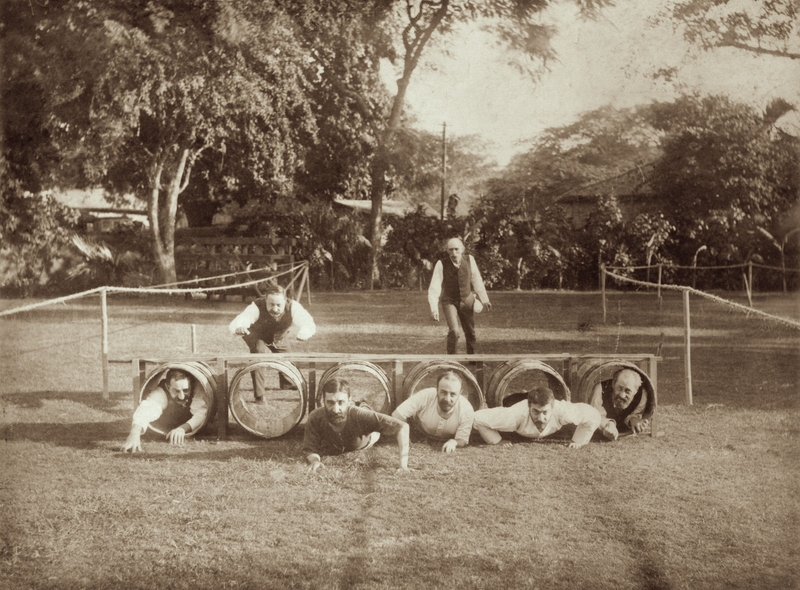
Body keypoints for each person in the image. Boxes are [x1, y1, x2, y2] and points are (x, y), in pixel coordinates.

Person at [228, 283, 316, 401]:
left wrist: (305, 332)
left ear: (285, 300)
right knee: (258, 353)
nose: (275, 309)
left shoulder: (294, 306)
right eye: (271, 304)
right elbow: (242, 319)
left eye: (279, 305)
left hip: (278, 337)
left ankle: (288, 383)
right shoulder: (256, 306)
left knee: (287, 359)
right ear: (265, 300)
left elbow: (307, 322)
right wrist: (240, 327)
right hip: (256, 335)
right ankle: (259, 395)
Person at [303, 378, 410, 473]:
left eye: (341, 402)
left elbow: (402, 426)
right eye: (330, 403)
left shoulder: (360, 415)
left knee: (364, 413)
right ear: (323, 401)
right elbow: (310, 448)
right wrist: (314, 461)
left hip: (369, 436)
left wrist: (403, 465)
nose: (336, 410)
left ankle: (363, 404)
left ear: (349, 401)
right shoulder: (315, 417)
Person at [472, 386, 601, 449]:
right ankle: (522, 395)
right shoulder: (515, 415)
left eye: (545, 412)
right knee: (512, 400)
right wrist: (496, 441)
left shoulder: (562, 411)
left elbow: (593, 414)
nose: (540, 418)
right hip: (513, 403)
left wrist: (578, 441)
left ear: (553, 407)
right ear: (529, 407)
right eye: (536, 412)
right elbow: (478, 418)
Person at [428, 237, 492, 354]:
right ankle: (452, 359)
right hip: (449, 301)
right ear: (447, 251)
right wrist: (434, 308)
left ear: (462, 249)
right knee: (454, 331)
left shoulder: (470, 260)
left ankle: (472, 359)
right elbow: (434, 287)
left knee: (470, 331)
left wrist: (485, 299)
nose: (454, 253)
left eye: (456, 249)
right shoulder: (441, 264)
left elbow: (477, 279)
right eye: (450, 250)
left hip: (467, 299)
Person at [121, 368, 210, 452]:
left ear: (191, 385)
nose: (181, 396)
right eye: (176, 391)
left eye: (186, 390)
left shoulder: (198, 387)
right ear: (167, 387)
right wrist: (135, 432)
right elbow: (148, 407)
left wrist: (182, 429)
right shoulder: (160, 392)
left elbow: (201, 412)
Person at [392, 371, 474, 453]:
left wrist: (454, 442)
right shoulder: (425, 395)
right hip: (418, 431)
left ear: (460, 393)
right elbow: (398, 414)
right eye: (443, 392)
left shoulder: (466, 409)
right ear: (437, 389)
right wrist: (405, 438)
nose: (447, 399)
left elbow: (463, 439)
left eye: (453, 394)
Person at [588, 368, 651, 440]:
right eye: (619, 388)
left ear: (636, 390)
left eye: (628, 391)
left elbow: (635, 413)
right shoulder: (600, 388)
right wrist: (608, 424)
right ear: (613, 383)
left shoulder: (642, 395)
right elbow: (596, 415)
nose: (622, 395)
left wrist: (633, 419)